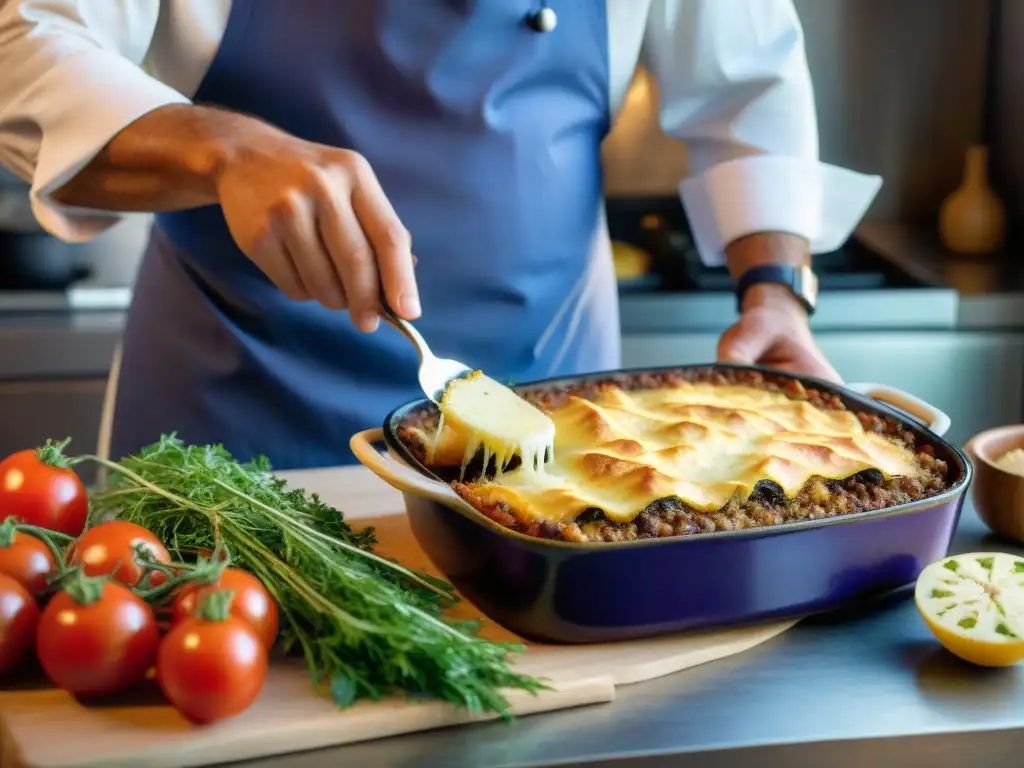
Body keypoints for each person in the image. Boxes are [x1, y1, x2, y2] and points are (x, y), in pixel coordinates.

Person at [0, 0, 881, 469]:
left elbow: (747, 85)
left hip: (560, 430)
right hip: (233, 422)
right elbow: (25, 39)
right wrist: (223, 146)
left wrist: (775, 293)